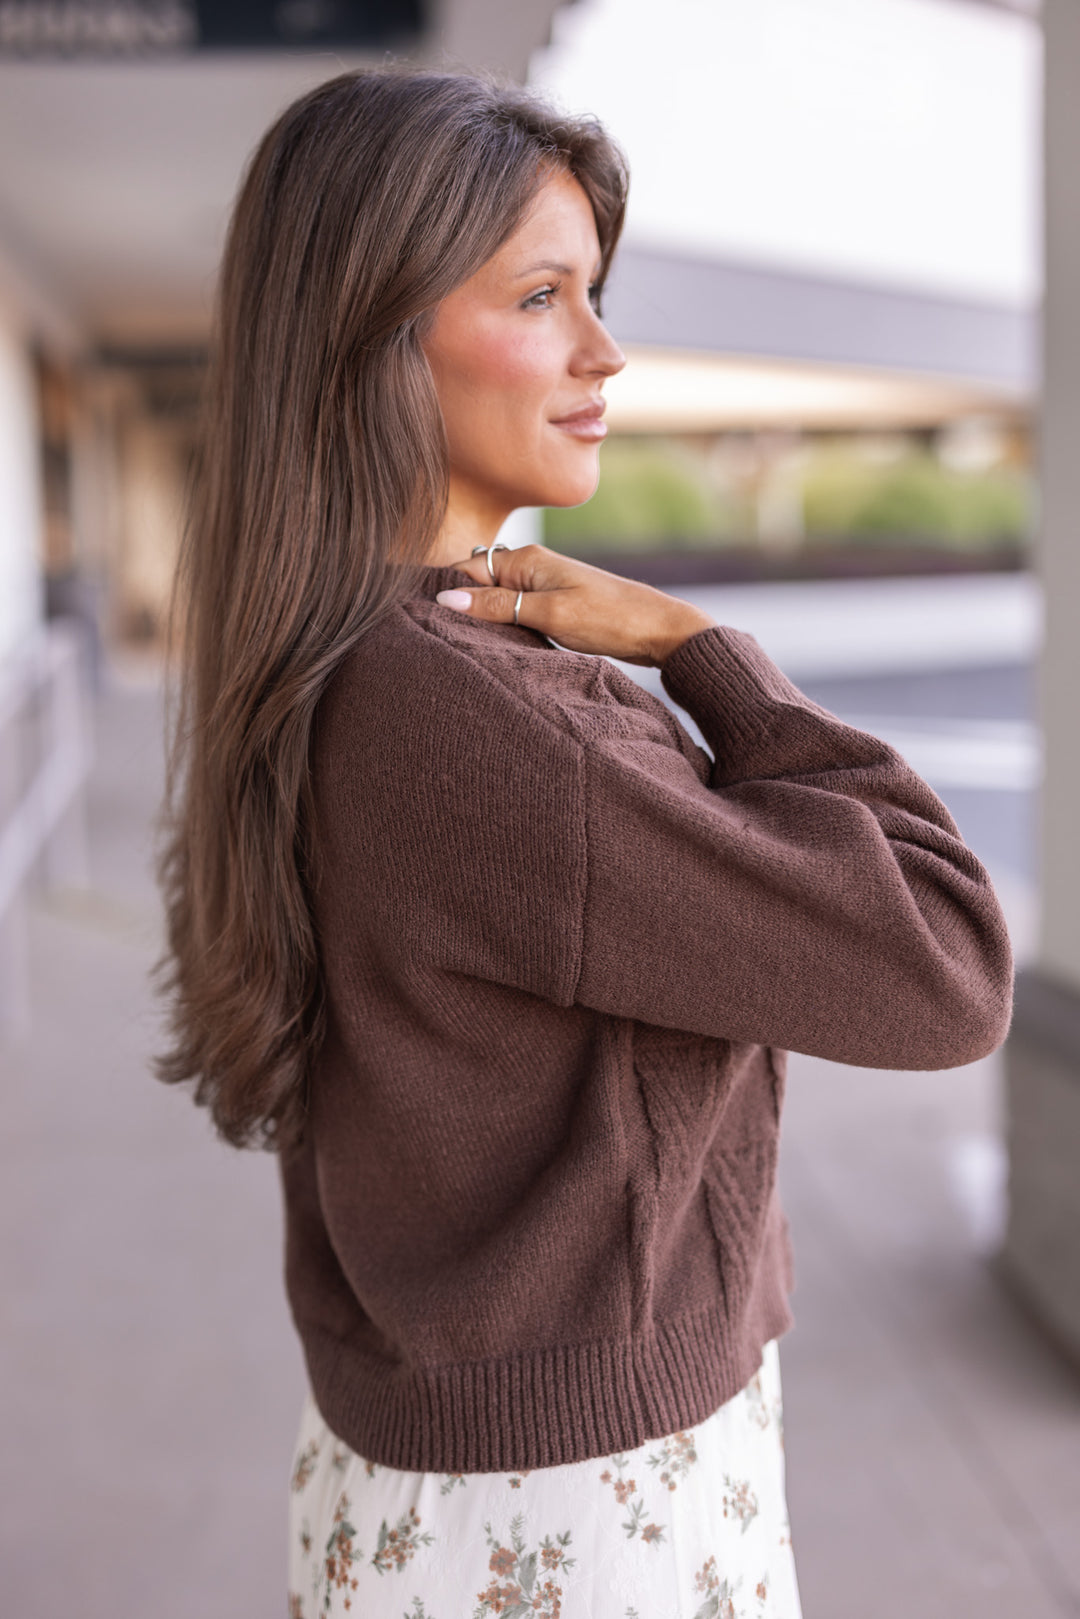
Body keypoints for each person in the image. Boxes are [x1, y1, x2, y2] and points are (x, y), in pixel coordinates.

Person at [154, 66, 1015, 1619]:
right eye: (543, 296)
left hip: (404, 1481)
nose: (605, 354)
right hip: (588, 1515)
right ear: (376, 329)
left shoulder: (312, 658)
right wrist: (703, 650)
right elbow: (946, 965)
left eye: (593, 293)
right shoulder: (513, 732)